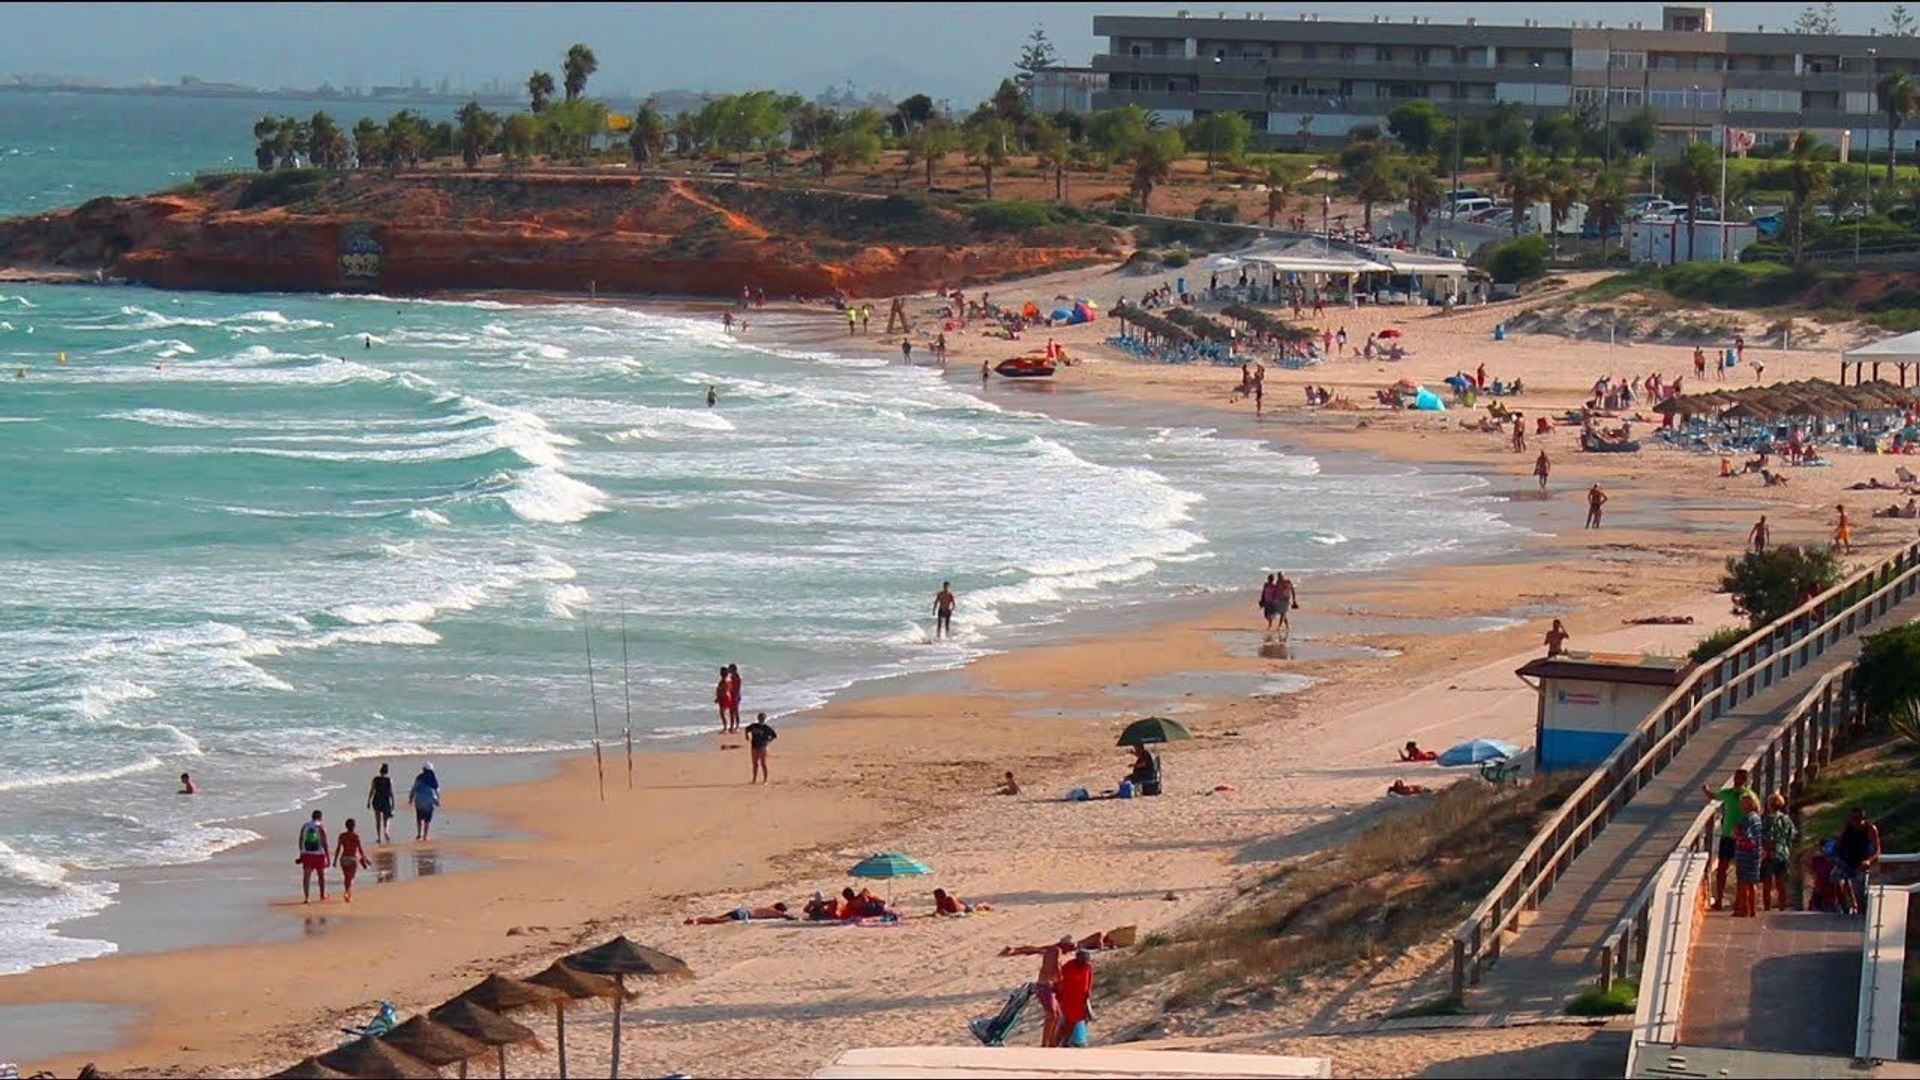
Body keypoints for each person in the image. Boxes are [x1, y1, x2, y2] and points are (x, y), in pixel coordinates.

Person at [1701, 768, 1759, 911]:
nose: (1737, 781)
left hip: (1742, 838)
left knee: (1741, 871)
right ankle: (1720, 900)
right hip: (1727, 835)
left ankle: (1741, 903)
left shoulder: (1748, 795)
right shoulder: (1729, 793)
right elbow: (1714, 796)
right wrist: (1706, 790)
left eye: (1740, 778)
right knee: (1722, 868)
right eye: (1736, 778)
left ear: (1745, 780)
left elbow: (1756, 809)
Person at [1834, 807, 1882, 915]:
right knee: (1836, 879)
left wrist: (1869, 861)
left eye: (1857, 818)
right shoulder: (1847, 828)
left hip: (1861, 863)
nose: (1854, 822)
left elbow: (1877, 850)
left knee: (1860, 892)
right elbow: (1837, 843)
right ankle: (1845, 907)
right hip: (1846, 861)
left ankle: (1861, 912)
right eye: (1852, 818)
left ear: (1863, 818)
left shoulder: (1870, 829)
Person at [1030, 935, 1074, 1047]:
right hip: (1045, 985)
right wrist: (1060, 981)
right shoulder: (1056, 950)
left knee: (1057, 1015)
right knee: (1052, 1014)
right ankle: (1045, 1044)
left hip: (1049, 986)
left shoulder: (1054, 950)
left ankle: (1052, 1043)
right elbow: (1055, 967)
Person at [1761, 792, 1796, 913]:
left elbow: (1765, 836)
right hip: (1783, 853)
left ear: (1770, 805)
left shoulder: (1769, 819)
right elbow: (1793, 835)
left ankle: (1767, 906)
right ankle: (1782, 906)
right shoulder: (1787, 819)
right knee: (1781, 882)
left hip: (1770, 853)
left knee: (1767, 882)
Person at [1055, 948, 1095, 1048]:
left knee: (1075, 1021)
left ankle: (1066, 1042)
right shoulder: (1069, 966)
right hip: (1068, 998)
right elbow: (1059, 979)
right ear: (1078, 957)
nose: (1085, 961)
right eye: (1083, 958)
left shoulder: (1088, 967)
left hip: (1080, 999)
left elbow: (1089, 979)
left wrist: (1088, 991)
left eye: (1086, 959)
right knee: (1066, 1021)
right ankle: (1057, 1041)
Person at [1733, 792, 1764, 917]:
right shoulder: (1757, 817)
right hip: (1756, 854)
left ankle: (1743, 908)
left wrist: (1736, 832)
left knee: (1742, 882)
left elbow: (1745, 836)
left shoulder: (1747, 819)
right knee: (1752, 882)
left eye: (1742, 803)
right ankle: (1752, 909)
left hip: (1745, 854)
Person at [334, 817, 372, 903]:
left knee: (346, 877)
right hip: (352, 859)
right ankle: (347, 893)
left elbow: (338, 848)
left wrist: (335, 861)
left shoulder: (342, 836)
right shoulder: (356, 836)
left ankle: (348, 893)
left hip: (343, 858)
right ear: (354, 826)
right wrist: (366, 860)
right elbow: (360, 850)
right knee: (350, 878)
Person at [297, 810, 329, 903]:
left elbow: (300, 840)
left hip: (307, 854)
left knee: (306, 877)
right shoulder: (320, 827)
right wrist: (327, 855)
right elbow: (324, 842)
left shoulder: (305, 826)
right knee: (321, 876)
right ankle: (322, 895)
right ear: (320, 817)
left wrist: (301, 853)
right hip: (319, 854)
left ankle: (306, 897)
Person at [409, 763, 441, 842]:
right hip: (429, 801)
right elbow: (437, 791)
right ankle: (425, 836)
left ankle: (419, 834)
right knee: (427, 820)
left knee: (419, 818)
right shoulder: (433, 779)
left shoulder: (419, 778)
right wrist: (438, 800)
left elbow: (414, 788)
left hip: (419, 800)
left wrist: (411, 798)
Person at [685, 901, 793, 924]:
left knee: (717, 917)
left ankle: (694, 919)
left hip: (742, 910)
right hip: (744, 914)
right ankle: (697, 920)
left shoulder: (767, 907)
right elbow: (783, 916)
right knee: (717, 921)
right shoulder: (773, 911)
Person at [745, 712, 777, 784]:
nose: (761, 719)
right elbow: (746, 729)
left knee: (763, 763)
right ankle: (754, 779)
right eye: (760, 718)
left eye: (762, 718)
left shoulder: (766, 728)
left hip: (763, 747)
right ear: (758, 718)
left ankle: (765, 780)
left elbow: (774, 735)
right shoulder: (754, 726)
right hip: (754, 746)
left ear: (764, 719)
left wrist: (768, 741)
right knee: (755, 764)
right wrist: (746, 736)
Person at [366, 763, 395, 844]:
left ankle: (379, 837)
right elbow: (391, 792)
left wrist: (368, 801)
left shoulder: (375, 779)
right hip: (385, 800)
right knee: (386, 818)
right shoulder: (389, 780)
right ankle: (386, 831)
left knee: (378, 820)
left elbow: (372, 790)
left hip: (376, 800)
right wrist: (393, 803)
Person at [1272, 572, 1298, 640]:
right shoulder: (1277, 582)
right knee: (1282, 613)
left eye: (1280, 576)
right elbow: (1276, 591)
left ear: (1283, 576)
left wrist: (1294, 600)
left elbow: (1292, 590)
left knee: (1283, 613)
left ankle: (1279, 626)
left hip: (1286, 600)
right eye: (1278, 577)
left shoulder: (1287, 581)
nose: (1279, 578)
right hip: (1279, 600)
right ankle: (1287, 626)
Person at [714, 666, 736, 734]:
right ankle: (730, 727)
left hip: (724, 697)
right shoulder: (729, 680)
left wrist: (718, 697)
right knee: (728, 712)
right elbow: (731, 689)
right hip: (728, 696)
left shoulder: (723, 680)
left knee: (722, 713)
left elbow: (723, 690)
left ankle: (725, 727)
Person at [726, 663, 743, 730]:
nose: (729, 670)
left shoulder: (737, 677)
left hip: (735, 695)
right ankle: (732, 726)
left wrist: (736, 696)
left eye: (730, 668)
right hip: (732, 695)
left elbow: (738, 688)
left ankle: (737, 726)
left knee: (735, 711)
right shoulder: (731, 677)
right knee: (731, 712)